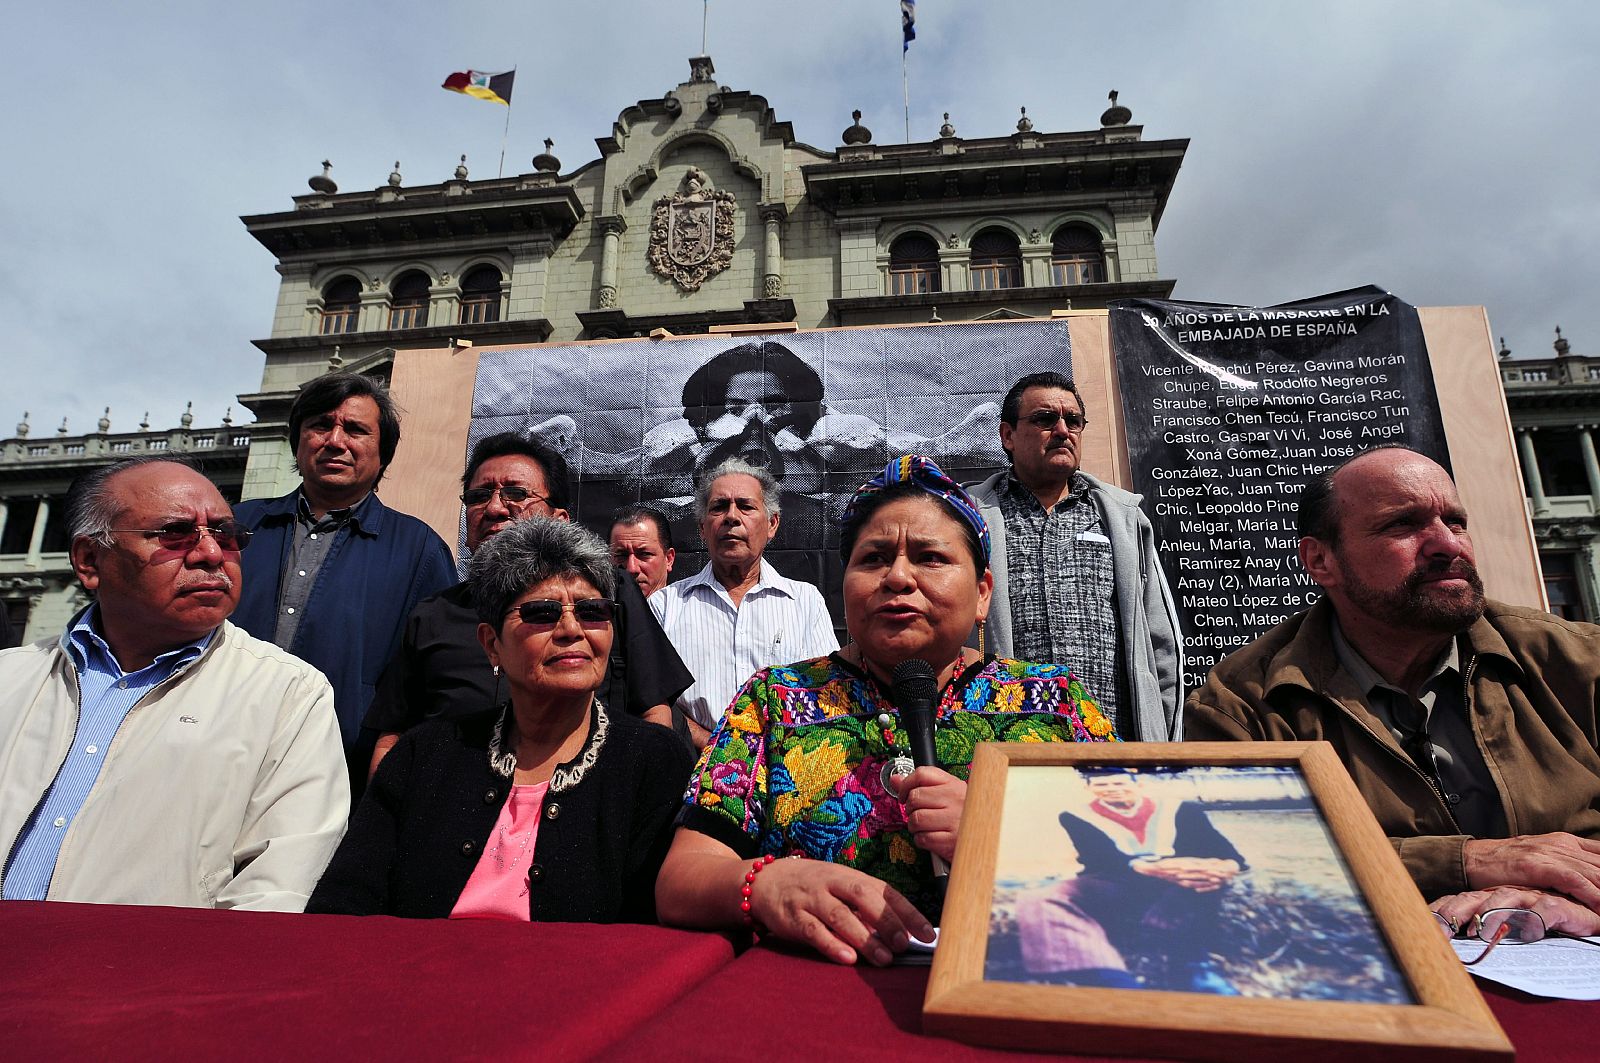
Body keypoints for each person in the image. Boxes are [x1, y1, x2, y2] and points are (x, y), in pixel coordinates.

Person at [655, 455, 1117, 965]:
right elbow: (681, 882)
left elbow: (1151, 869)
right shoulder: (774, 701)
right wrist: (766, 884)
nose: (898, 576)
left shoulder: (1055, 705)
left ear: (983, 594)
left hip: (1018, 995)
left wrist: (1003, 833)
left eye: (931, 558)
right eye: (873, 558)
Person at [1187, 445, 1600, 935]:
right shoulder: (1244, 704)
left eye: (1455, 520)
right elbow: (1242, 864)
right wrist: (1465, 861)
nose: (1448, 544)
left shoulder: (1578, 663)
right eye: (1403, 524)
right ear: (1321, 560)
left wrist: (1570, 899)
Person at [0, 456, 347, 910]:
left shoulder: (290, 693)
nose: (210, 553)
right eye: (174, 533)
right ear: (89, 560)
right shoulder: (11, 676)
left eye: (225, 533)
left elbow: (276, 890)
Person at [308, 518, 696, 921]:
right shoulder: (424, 757)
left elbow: (653, 934)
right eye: (542, 613)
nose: (570, 629)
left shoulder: (652, 761)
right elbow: (342, 907)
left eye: (592, 611)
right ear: (492, 645)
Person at [364, 434, 693, 773]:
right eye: (478, 496)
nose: (493, 508)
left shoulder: (611, 591)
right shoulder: (433, 615)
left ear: (559, 519)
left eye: (516, 494)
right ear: (490, 641)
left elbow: (654, 711)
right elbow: (392, 737)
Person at [231, 372, 457, 784]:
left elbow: (436, 680)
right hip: (216, 751)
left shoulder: (418, 550)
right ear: (297, 442)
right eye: (320, 425)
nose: (335, 441)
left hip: (336, 777)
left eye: (355, 430)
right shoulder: (235, 529)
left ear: (383, 453)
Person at [969, 372, 1182, 743]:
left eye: (1074, 421)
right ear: (1008, 436)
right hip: (1006, 748)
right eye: (1045, 419)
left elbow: (1161, 645)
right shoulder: (970, 518)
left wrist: (1163, 747)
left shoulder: (1122, 518)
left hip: (1116, 753)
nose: (1063, 430)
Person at [649, 458, 838, 747]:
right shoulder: (665, 606)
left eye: (746, 506)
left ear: (772, 524)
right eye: (719, 507)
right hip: (691, 770)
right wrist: (713, 745)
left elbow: (827, 693)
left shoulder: (805, 601)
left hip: (785, 769)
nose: (731, 517)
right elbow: (652, 701)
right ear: (702, 528)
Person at [1015, 769, 1245, 992]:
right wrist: (1152, 868)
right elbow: (1100, 858)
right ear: (1088, 788)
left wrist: (1225, 868)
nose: (1112, 789)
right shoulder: (1075, 815)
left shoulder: (1182, 809)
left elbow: (1229, 854)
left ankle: (1193, 968)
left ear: (1138, 784)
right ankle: (1106, 977)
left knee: (1201, 877)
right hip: (1116, 881)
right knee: (1040, 898)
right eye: (1102, 784)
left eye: (1119, 783)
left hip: (1179, 884)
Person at [609, 506, 676, 597]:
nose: (631, 569)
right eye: (621, 555)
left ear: (668, 559)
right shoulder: (597, 609)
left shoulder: (688, 609)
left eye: (644, 554)